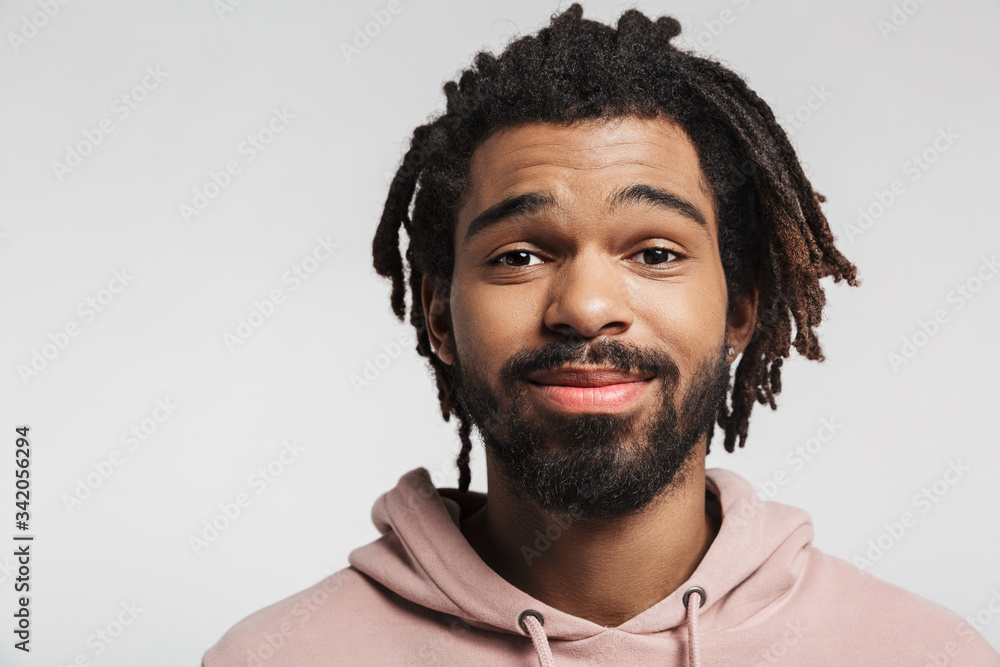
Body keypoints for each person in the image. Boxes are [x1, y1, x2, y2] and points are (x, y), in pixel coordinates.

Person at [202, 5, 1000, 665]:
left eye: (655, 253)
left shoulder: (927, 653)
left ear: (739, 312)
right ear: (440, 314)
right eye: (519, 255)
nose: (585, 306)